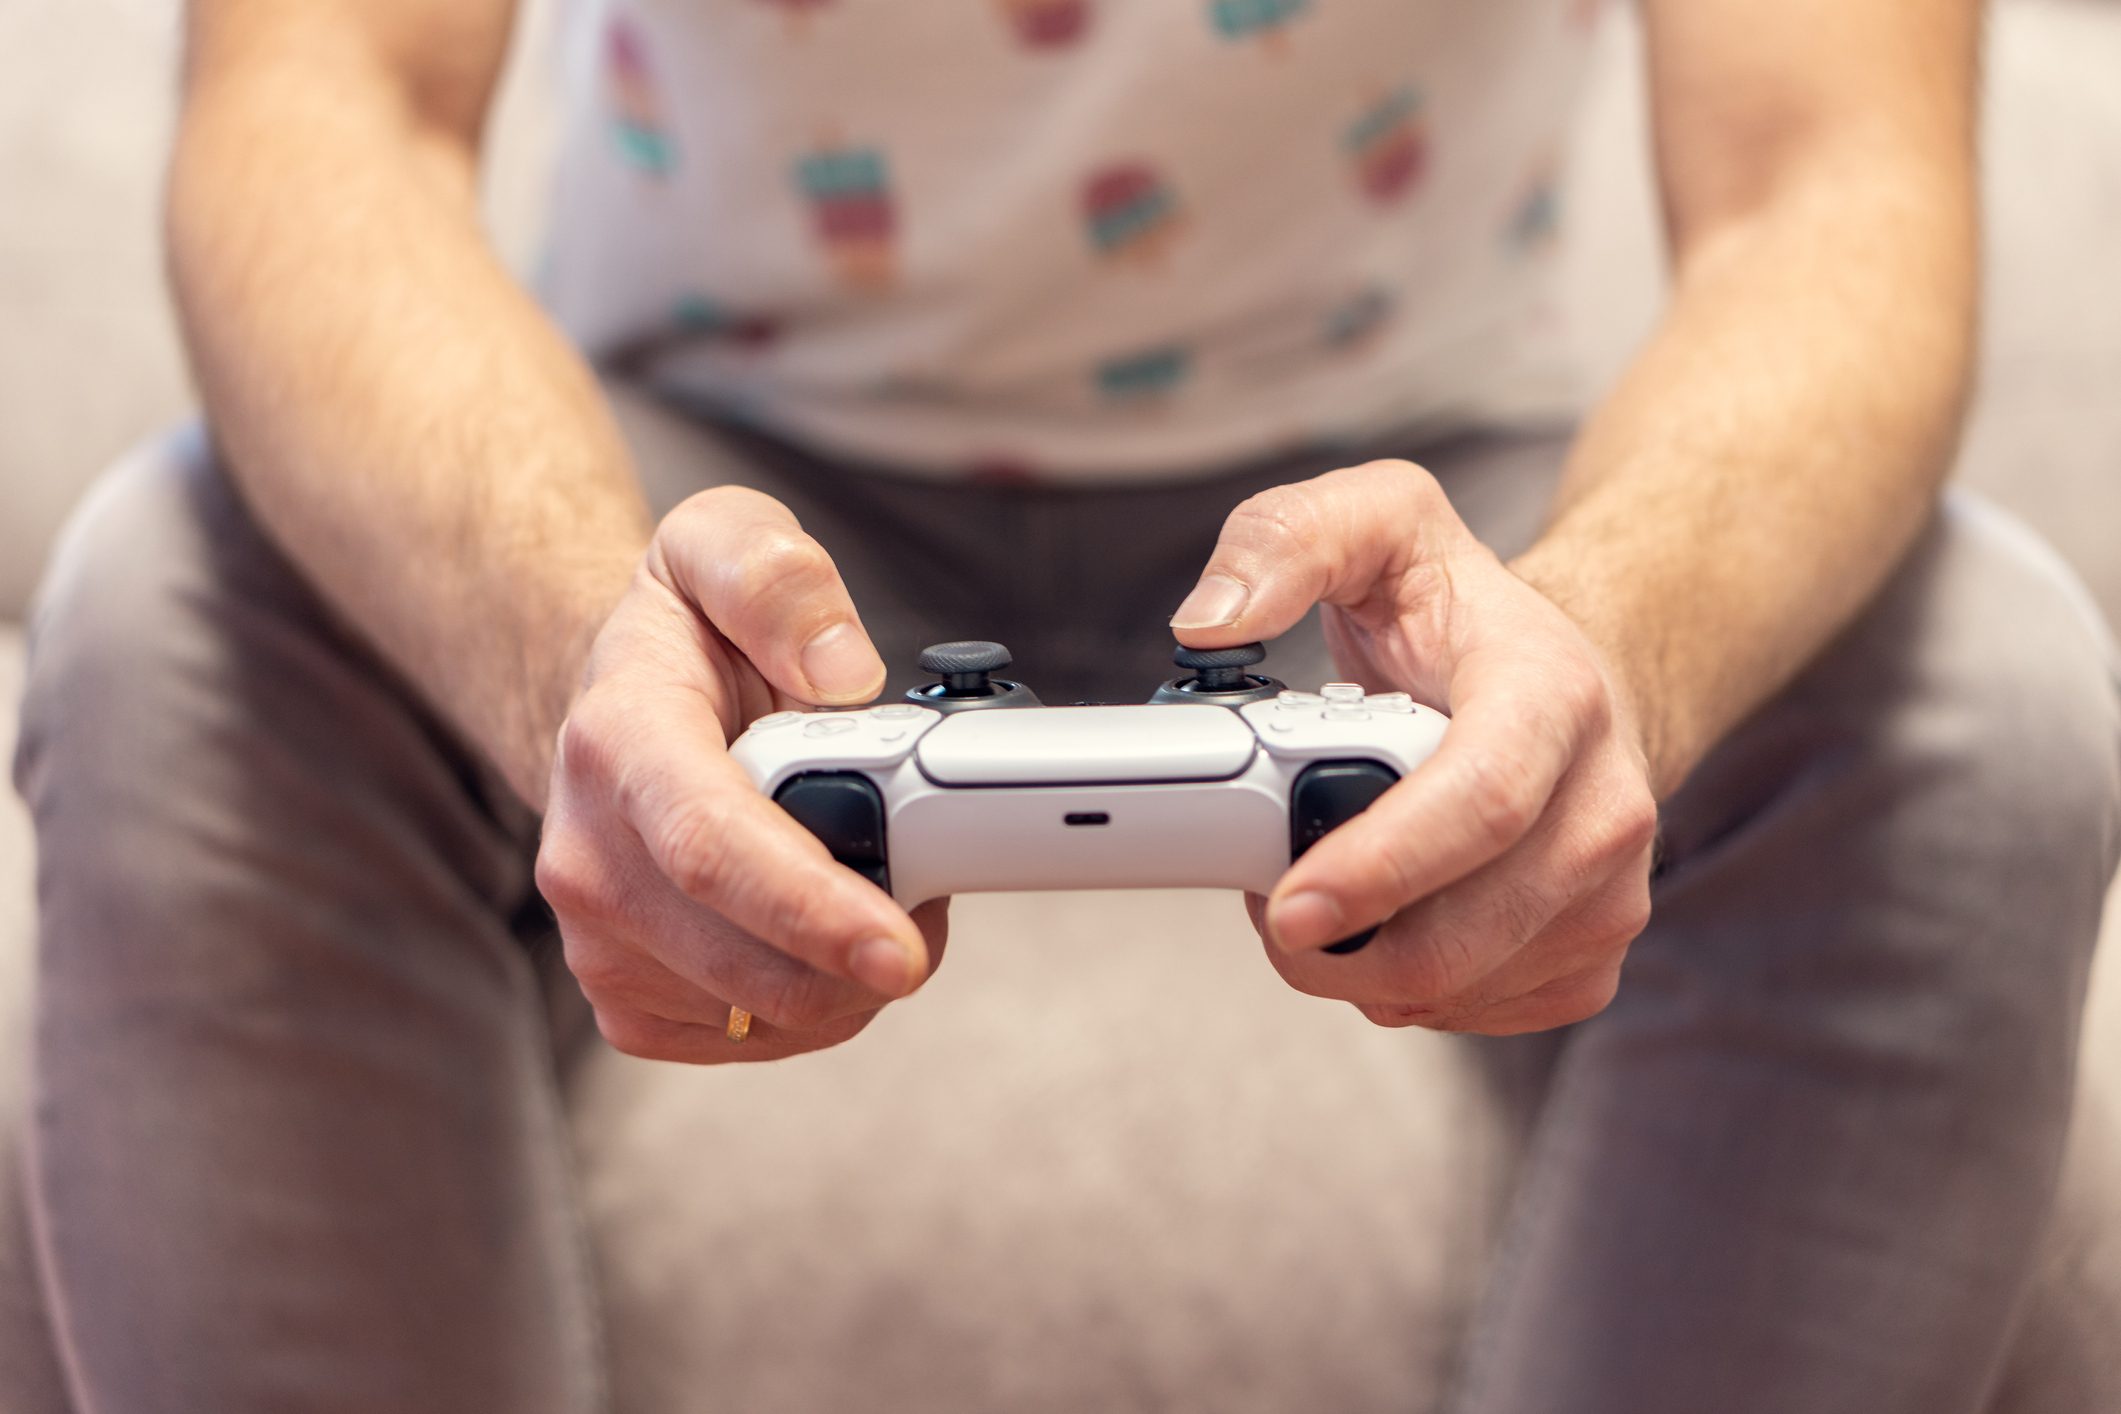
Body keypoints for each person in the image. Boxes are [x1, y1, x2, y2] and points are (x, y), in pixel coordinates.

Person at [12, 0, 2121, 1408]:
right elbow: (319, 108)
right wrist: (573, 631)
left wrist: (1610, 641)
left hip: (1409, 481)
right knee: (176, 611)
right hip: (706, 463)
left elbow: (1821, 188)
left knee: (1972, 697)